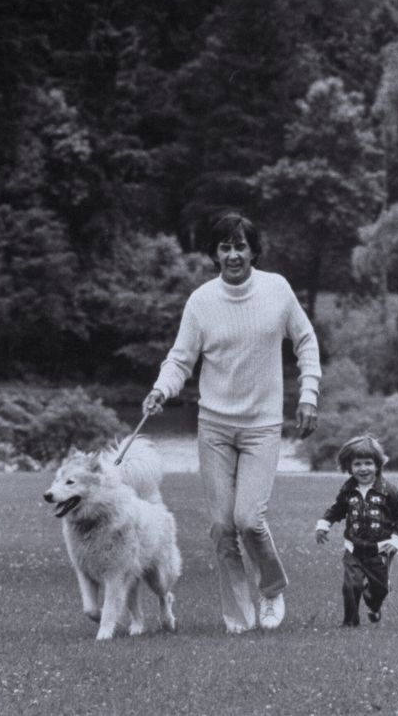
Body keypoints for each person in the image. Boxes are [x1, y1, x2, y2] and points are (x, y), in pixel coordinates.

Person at [143, 212, 321, 634]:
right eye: (225, 246)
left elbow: (306, 340)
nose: (233, 254)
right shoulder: (201, 301)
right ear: (215, 254)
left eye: (241, 245)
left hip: (262, 426)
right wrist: (161, 390)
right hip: (215, 427)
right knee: (223, 527)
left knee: (248, 521)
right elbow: (180, 358)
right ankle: (238, 618)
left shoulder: (277, 290)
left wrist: (309, 393)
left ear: (254, 250)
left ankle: (272, 589)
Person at [314, 435, 398, 627]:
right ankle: (350, 622)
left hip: (381, 550)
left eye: (368, 463)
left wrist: (396, 539)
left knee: (380, 589)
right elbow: (337, 509)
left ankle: (374, 605)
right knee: (351, 585)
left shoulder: (388, 490)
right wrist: (324, 523)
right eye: (357, 464)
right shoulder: (348, 490)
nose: (363, 469)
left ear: (378, 465)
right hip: (354, 548)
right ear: (348, 466)